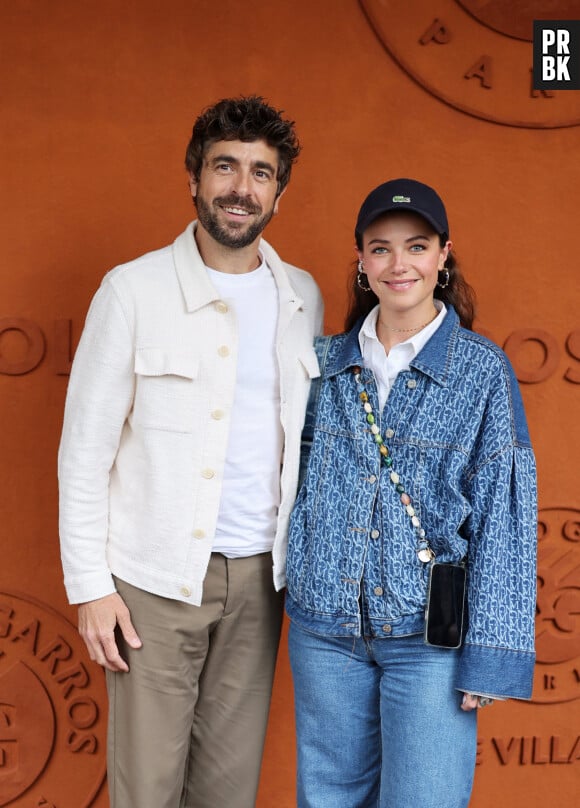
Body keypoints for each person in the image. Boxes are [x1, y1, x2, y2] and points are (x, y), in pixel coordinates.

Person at [58, 95, 323, 808]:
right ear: (195, 179)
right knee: (147, 791)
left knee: (226, 792)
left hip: (262, 583)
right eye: (225, 167)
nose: (242, 188)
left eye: (261, 173)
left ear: (280, 190)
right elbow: (84, 448)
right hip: (152, 584)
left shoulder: (302, 296)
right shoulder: (133, 290)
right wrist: (89, 585)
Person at [285, 178, 537, 808]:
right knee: (329, 799)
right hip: (324, 630)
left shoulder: (481, 370)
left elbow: (505, 516)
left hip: (429, 640)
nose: (399, 265)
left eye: (417, 247)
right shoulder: (323, 362)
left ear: (443, 255)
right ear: (362, 261)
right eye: (381, 249)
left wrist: (493, 652)